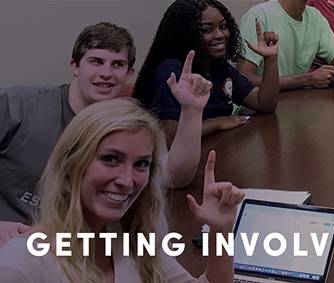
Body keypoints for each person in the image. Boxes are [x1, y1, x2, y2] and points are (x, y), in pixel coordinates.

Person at [0, 98, 245, 282]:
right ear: (72, 163)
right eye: (111, 159)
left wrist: (221, 231)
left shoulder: (132, 240)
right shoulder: (23, 264)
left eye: (141, 164)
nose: (128, 181)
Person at [1, 22, 206, 240]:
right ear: (75, 66)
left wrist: (192, 111)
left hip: (71, 249)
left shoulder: (128, 124)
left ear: (129, 73)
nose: (106, 73)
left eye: (117, 64)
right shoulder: (17, 105)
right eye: (96, 62)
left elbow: (175, 177)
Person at [135, 0, 280, 138]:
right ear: (186, 33)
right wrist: (216, 123)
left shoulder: (219, 65)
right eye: (207, 30)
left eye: (223, 27)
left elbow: (265, 103)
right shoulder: (171, 70)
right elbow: (171, 135)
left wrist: (271, 58)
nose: (220, 35)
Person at [237, 0, 334, 90]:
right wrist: (307, 79)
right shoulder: (258, 16)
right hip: (255, 114)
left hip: (295, 104)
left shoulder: (315, 17)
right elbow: (244, 80)